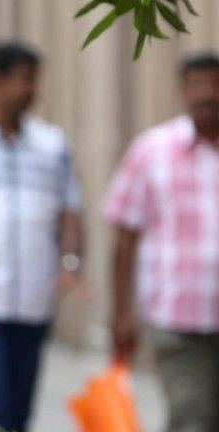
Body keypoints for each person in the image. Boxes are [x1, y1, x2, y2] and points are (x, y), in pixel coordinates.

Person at [0, 42, 83, 431]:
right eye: (25, 79)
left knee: (22, 407)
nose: (32, 90)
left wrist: (70, 263)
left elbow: (70, 211)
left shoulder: (52, 146)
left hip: (34, 303)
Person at [105, 53, 219, 432]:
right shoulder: (152, 150)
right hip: (176, 314)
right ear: (182, 90)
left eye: (214, 83)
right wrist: (122, 313)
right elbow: (125, 236)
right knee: (193, 417)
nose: (207, 94)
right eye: (197, 84)